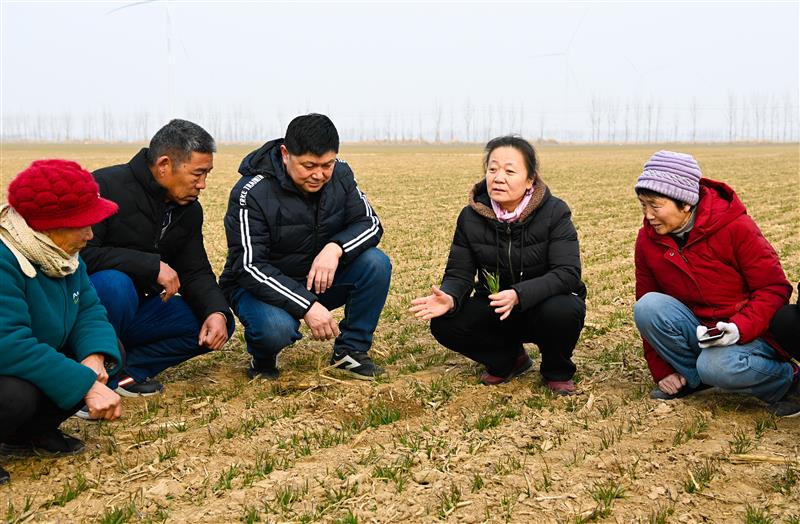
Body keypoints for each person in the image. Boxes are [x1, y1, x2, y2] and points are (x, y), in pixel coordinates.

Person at [220, 114, 391, 380]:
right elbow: (249, 266)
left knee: (375, 263)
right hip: (259, 286)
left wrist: (335, 249)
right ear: (286, 154)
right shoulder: (251, 192)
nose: (319, 174)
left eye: (327, 164)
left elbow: (369, 223)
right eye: (309, 165)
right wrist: (308, 306)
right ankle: (263, 357)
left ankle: (351, 351)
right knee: (275, 328)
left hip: (314, 277)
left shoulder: (341, 174)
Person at [410, 135, 586, 394]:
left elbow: (568, 273)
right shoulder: (471, 216)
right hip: (496, 305)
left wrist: (519, 294)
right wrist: (449, 297)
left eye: (509, 171)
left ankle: (556, 369)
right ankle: (509, 360)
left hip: (541, 305)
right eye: (492, 169)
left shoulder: (554, 212)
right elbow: (460, 272)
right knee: (445, 323)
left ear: (530, 180)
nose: (498, 177)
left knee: (564, 308)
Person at [632, 150, 798, 417]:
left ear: (685, 203)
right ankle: (694, 379)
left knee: (717, 365)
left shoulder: (736, 228)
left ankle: (789, 381)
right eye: (643, 205)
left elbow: (774, 288)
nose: (648, 215)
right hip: (702, 331)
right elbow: (647, 299)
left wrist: (738, 328)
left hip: (750, 331)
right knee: (648, 307)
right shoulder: (647, 241)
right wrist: (664, 370)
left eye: (655, 205)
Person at [82, 119, 234, 398]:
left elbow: (195, 271)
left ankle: (126, 373)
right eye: (198, 174)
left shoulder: (188, 210)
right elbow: (82, 256)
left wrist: (216, 311)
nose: (203, 185)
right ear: (164, 165)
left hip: (141, 312)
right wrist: (151, 266)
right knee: (114, 284)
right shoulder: (104, 187)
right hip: (90, 315)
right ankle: (86, 382)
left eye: (207, 174)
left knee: (211, 321)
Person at [0, 160, 123, 485]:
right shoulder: (5, 258)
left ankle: (29, 435)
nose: (90, 233)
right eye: (81, 223)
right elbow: (8, 344)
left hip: (31, 358)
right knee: (15, 395)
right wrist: (85, 384)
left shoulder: (62, 254)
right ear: (46, 225)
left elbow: (89, 310)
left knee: (105, 354)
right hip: (8, 366)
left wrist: (94, 358)